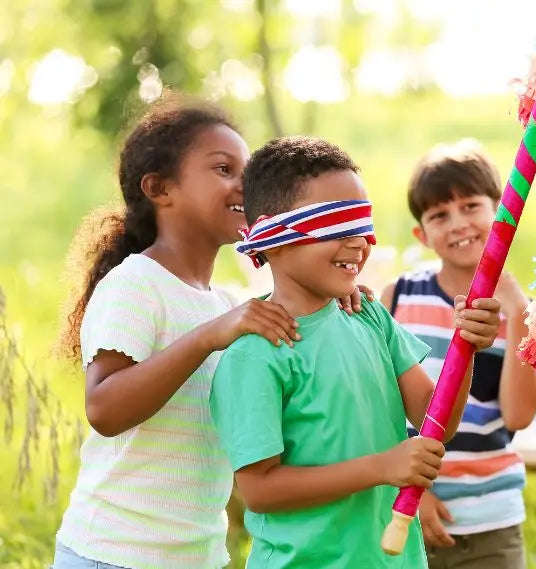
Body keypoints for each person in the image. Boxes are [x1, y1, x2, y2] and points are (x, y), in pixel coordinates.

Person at [52, 97, 367, 569]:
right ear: (160, 189)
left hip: (197, 557)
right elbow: (105, 408)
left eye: (248, 170)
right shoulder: (135, 284)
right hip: (113, 554)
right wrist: (208, 336)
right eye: (224, 168)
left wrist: (334, 288)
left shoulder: (223, 304)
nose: (245, 184)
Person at [208, 136, 504, 569]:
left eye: (361, 226)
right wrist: (382, 467)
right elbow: (259, 490)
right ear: (272, 238)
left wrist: (468, 347)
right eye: (336, 227)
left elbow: (433, 419)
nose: (359, 244)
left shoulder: (370, 317)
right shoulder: (256, 354)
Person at [381, 139, 536, 569]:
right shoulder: (399, 297)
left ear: (498, 211)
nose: (457, 224)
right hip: (408, 511)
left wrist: (519, 314)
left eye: (471, 206)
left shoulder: (521, 309)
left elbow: (519, 416)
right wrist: (413, 490)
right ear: (422, 233)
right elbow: (383, 405)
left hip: (492, 520)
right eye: (439, 215)